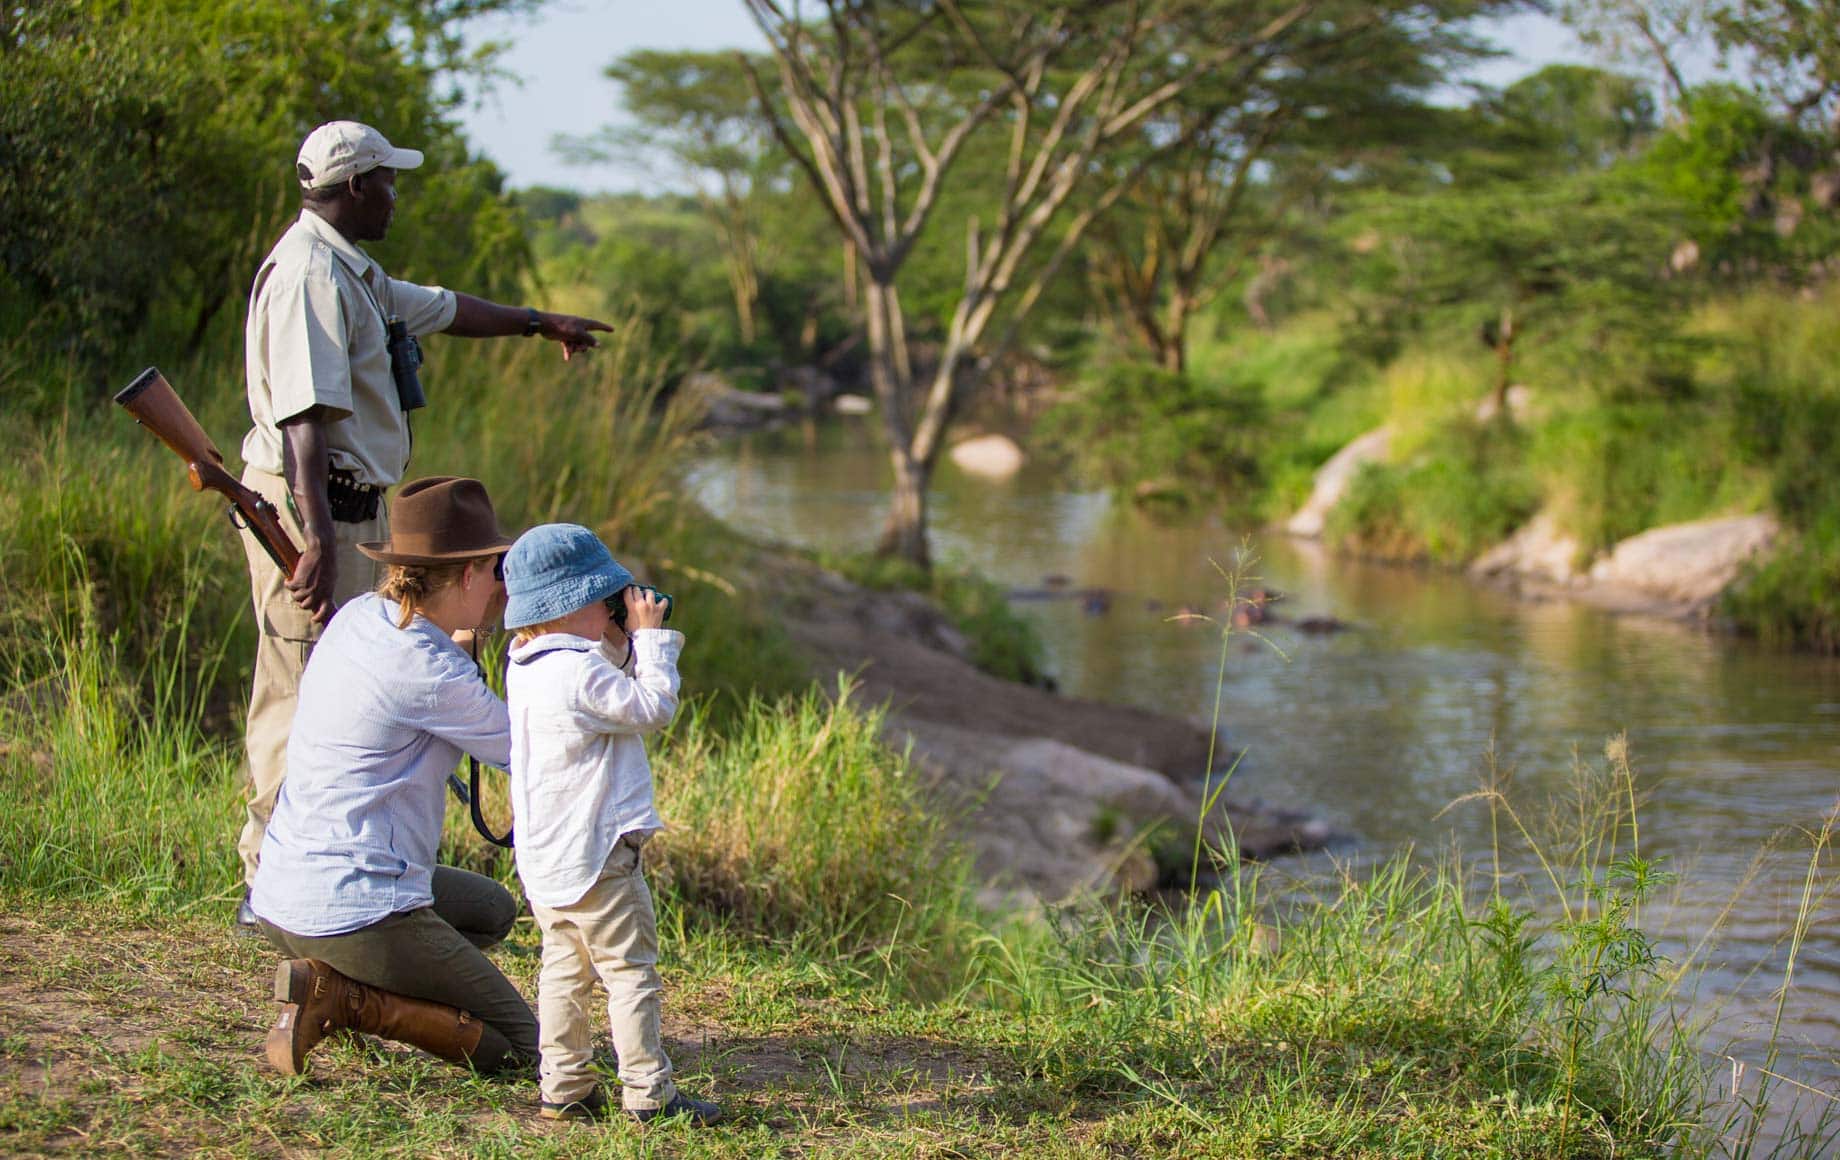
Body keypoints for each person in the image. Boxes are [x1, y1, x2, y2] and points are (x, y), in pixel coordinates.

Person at [234, 120, 612, 924]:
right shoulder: (309, 274)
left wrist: (540, 322)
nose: (395, 197)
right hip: (315, 508)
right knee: (299, 686)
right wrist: (317, 543)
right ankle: (270, 879)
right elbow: (305, 422)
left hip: (347, 506)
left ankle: (329, 867)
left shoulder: (353, 271)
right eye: (388, 182)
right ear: (356, 185)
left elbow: (443, 309)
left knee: (348, 680)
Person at [251, 476, 538, 1077]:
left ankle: (328, 979)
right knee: (525, 1050)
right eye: (494, 570)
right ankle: (351, 1002)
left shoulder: (362, 616)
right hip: (352, 906)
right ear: (466, 575)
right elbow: (532, 751)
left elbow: (423, 685)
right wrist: (547, 651)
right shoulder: (434, 673)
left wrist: (464, 643)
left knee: (489, 910)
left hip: (281, 895)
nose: (501, 587)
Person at [500, 524, 721, 1125]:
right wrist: (650, 643)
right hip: (598, 857)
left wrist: (616, 642)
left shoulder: (525, 661)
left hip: (548, 859)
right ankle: (650, 1094)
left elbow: (595, 686)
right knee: (629, 973)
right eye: (607, 600)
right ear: (576, 605)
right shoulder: (579, 674)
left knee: (563, 970)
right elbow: (653, 707)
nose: (614, 608)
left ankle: (564, 1085)